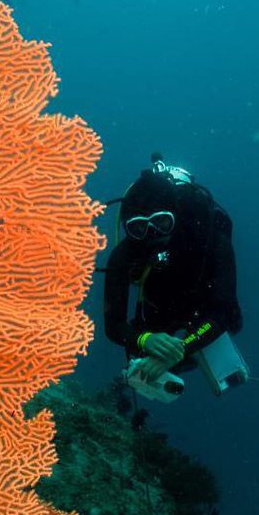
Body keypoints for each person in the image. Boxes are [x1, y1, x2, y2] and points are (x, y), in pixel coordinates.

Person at [103, 153, 245, 401]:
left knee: (232, 323)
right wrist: (145, 339)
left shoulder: (211, 240)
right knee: (139, 361)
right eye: (139, 227)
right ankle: (166, 358)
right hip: (158, 307)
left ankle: (186, 351)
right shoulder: (125, 253)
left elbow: (222, 313)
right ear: (129, 227)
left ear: (176, 215)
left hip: (203, 303)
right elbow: (113, 325)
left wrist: (179, 348)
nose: (152, 233)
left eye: (162, 222)